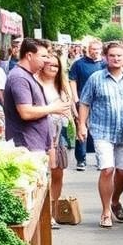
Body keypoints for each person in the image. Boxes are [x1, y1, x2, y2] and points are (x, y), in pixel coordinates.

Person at [76, 41, 123, 228]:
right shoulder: (96, 78)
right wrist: (81, 125)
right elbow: (84, 102)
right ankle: (105, 211)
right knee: (107, 169)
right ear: (105, 57)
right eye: (112, 55)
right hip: (102, 131)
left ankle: (115, 200)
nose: (116, 58)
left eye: (119, 55)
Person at [3, 38, 70, 151]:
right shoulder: (19, 78)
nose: (46, 61)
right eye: (43, 56)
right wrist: (53, 108)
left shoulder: (27, 75)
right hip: (26, 145)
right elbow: (26, 112)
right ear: (29, 55)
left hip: (34, 143)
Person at [36, 50, 76, 227]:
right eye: (49, 64)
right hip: (40, 133)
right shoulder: (35, 83)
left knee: (58, 173)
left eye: (56, 65)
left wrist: (75, 122)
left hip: (59, 133)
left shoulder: (62, 85)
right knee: (44, 174)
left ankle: (52, 210)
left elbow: (69, 107)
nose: (52, 67)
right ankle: (43, 212)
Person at [68, 37, 105, 170]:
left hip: (100, 103)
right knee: (81, 128)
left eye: (98, 49)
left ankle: (101, 159)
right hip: (83, 101)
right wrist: (75, 98)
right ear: (88, 50)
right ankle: (81, 159)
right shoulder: (79, 64)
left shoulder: (104, 65)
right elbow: (72, 81)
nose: (95, 51)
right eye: (93, 49)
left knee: (99, 131)